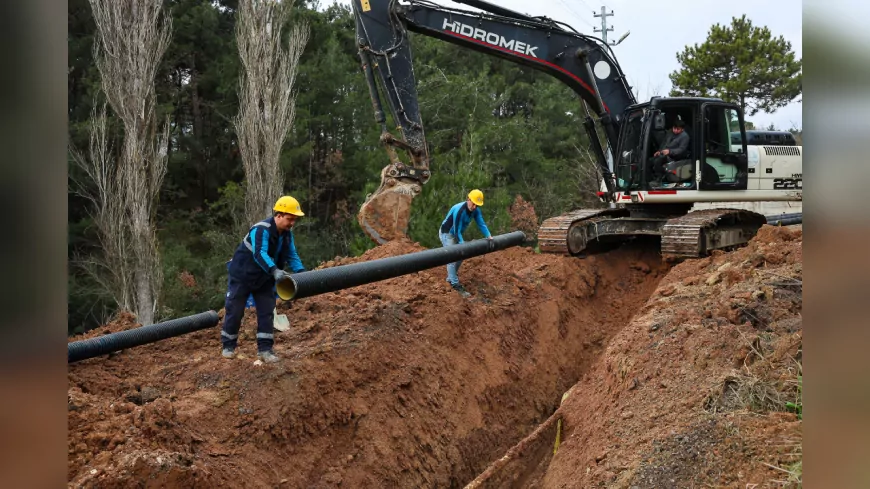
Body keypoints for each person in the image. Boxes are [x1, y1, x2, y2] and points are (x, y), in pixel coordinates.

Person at [221, 196, 306, 363]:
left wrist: (302, 273)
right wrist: (274, 270)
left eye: (294, 220)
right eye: (290, 219)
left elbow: (292, 255)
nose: (292, 223)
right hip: (242, 276)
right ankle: (228, 346)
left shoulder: (287, 235)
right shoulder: (261, 230)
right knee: (235, 311)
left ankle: (265, 350)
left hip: (264, 277)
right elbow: (260, 253)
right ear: (279, 215)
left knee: (267, 312)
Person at [438, 189, 493, 297]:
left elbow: (481, 223)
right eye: (473, 204)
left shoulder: (476, 210)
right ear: (468, 199)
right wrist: (462, 244)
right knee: (451, 258)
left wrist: (489, 236)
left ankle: (450, 278)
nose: (474, 207)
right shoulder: (459, 210)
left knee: (461, 256)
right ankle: (454, 284)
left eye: (477, 205)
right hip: (447, 233)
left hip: (457, 234)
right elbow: (456, 230)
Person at [649, 119, 690, 185]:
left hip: (675, 156)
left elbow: (681, 149)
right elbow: (664, 143)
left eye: (678, 129)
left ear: (682, 129)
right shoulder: (670, 133)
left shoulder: (685, 136)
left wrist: (670, 151)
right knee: (649, 161)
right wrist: (659, 151)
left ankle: (659, 180)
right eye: (674, 128)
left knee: (658, 161)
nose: (675, 130)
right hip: (665, 154)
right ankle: (650, 178)